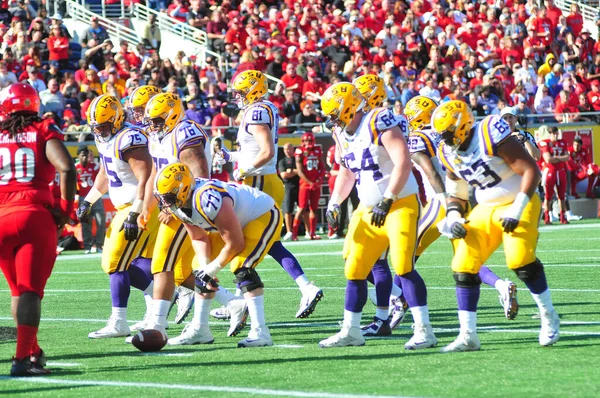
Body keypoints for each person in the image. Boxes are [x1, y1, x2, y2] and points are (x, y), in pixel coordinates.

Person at [432, 100, 560, 352]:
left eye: (447, 133)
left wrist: (518, 208)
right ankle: (468, 335)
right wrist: (455, 217)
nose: (445, 140)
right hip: (486, 208)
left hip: (518, 200)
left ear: (462, 125)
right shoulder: (448, 151)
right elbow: (456, 192)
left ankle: (549, 316)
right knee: (462, 265)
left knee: (519, 260)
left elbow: (531, 170)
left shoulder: (489, 132)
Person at [319, 82, 436, 349]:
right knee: (355, 268)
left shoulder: (377, 120)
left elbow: (402, 159)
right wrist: (335, 203)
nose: (331, 120)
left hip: (399, 203)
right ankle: (351, 331)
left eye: (334, 113)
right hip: (368, 209)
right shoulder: (343, 133)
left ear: (348, 107)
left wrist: (389, 198)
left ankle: (424, 330)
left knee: (404, 266)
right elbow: (348, 172)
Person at [215, 70, 323, 319]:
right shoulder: (261, 109)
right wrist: (231, 157)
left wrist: (244, 169)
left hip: (260, 182)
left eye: (241, 92)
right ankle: (305, 287)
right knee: (270, 243)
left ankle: (240, 301)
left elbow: (265, 152)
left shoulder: (256, 111)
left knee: (241, 244)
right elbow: (254, 151)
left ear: (253, 89)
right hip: (260, 179)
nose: (238, 97)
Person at [141, 92, 248, 345]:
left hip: (186, 205)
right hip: (173, 204)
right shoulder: (161, 135)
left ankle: (157, 326)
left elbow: (198, 173)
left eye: (157, 120)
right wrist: (146, 206)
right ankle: (231, 304)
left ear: (172, 115)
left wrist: (177, 207)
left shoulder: (184, 132)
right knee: (181, 273)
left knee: (162, 263)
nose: (152, 125)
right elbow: (156, 171)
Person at [405, 96, 520, 323]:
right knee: (464, 256)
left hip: (443, 201)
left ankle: (397, 301)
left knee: (406, 255)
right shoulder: (444, 133)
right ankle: (501, 285)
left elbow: (432, 173)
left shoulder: (418, 137)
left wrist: (443, 200)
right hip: (459, 200)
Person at [154, 163, 283, 347]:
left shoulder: (207, 198)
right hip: (234, 223)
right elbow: (198, 237)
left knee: (242, 267)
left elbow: (236, 244)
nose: (165, 203)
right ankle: (200, 329)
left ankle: (261, 332)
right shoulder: (180, 205)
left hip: (262, 215)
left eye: (167, 197)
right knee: (200, 269)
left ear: (182, 190)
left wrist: (213, 268)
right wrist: (206, 267)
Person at [0, 83, 76, 376]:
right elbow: (66, 168)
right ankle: (22, 360)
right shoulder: (43, 128)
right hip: (33, 215)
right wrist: (66, 211)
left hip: (2, 215)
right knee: (30, 290)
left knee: (17, 291)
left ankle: (33, 351)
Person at [77, 95, 158, 339]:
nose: (99, 131)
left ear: (116, 119)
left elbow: (146, 178)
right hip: (127, 207)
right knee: (127, 263)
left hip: (138, 207)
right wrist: (89, 199)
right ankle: (160, 294)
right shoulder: (108, 138)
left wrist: (136, 212)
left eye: (102, 126)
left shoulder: (129, 138)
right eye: (95, 127)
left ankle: (119, 320)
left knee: (114, 263)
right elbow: (106, 171)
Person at [292, 132, 324, 241]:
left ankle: (312, 233)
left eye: (309, 140)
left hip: (315, 183)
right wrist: (311, 182)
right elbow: (300, 172)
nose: (307, 143)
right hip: (305, 185)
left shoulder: (317, 150)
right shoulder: (299, 151)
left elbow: (321, 166)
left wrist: (319, 179)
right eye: (305, 141)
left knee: (314, 209)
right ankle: (294, 234)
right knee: (301, 208)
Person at [75, 145, 106, 254]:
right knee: (85, 222)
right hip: (83, 198)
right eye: (82, 155)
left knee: (100, 221)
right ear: (78, 156)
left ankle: (99, 245)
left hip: (96, 197)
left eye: (86, 155)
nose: (84, 158)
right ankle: (87, 245)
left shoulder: (95, 166)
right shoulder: (76, 168)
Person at [539, 126, 570, 224]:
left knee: (562, 196)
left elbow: (567, 157)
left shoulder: (563, 142)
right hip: (549, 171)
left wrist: (556, 157)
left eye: (557, 133)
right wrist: (561, 158)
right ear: (550, 134)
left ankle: (563, 217)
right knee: (548, 196)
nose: (556, 135)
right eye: (554, 133)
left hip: (560, 171)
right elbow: (548, 159)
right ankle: (547, 217)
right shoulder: (546, 143)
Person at [278, 142, 300, 240]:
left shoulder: (297, 159)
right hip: (288, 187)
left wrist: (291, 171)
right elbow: (283, 175)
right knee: (287, 210)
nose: (287, 151)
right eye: (285, 149)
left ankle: (308, 231)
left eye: (289, 148)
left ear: (293, 149)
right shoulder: (282, 161)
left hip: (299, 186)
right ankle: (289, 231)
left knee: (304, 209)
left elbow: (302, 171)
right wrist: (296, 171)